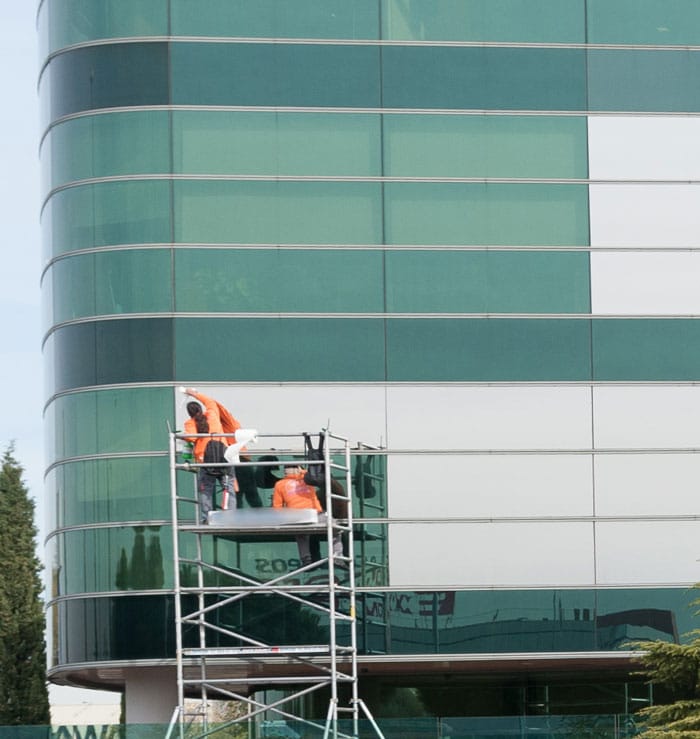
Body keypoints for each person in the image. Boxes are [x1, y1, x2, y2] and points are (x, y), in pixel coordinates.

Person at [182, 388, 236, 522]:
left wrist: (181, 437)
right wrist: (193, 393)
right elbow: (210, 401)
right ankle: (230, 516)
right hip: (224, 456)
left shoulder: (190, 423)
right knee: (228, 487)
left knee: (206, 490)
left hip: (205, 460)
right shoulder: (212, 414)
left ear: (190, 413)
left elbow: (191, 438)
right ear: (201, 408)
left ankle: (207, 518)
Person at [272, 465, 322, 566]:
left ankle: (308, 559)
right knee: (303, 534)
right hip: (305, 514)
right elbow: (277, 506)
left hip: (307, 514)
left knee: (303, 535)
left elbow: (277, 506)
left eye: (289, 468)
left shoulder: (306, 479)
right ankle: (309, 558)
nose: (287, 470)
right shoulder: (282, 484)